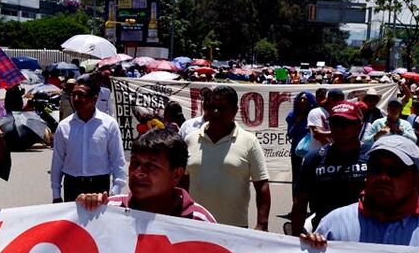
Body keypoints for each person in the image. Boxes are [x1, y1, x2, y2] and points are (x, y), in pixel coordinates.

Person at [299, 135, 419, 251]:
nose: (383, 177)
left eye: (395, 171)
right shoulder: (333, 225)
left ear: (415, 179)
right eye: (376, 168)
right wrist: (309, 251)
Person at [76, 129, 215, 222]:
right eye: (135, 163)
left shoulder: (199, 221)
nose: (138, 172)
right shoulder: (108, 209)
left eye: (151, 165)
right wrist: (84, 210)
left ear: (176, 175)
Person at [184, 85, 271, 229]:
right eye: (212, 106)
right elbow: (182, 182)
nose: (215, 111)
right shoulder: (190, 140)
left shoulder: (249, 142)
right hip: (195, 228)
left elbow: (261, 184)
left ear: (235, 111)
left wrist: (262, 223)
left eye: (222, 108)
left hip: (234, 231)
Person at [290, 100, 367, 234]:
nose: (338, 129)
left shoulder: (373, 156)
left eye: (344, 124)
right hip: (323, 237)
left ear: (359, 127)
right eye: (335, 124)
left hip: (364, 235)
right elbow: (300, 202)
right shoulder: (314, 158)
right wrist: (296, 238)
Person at [50, 75, 127, 203]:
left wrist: (115, 192)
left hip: (99, 186)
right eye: (73, 94)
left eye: (81, 95)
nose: (76, 99)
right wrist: (56, 194)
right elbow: (57, 162)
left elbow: (117, 159)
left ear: (94, 98)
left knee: (99, 223)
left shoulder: (108, 124)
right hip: (72, 186)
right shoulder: (64, 126)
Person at [304, 88, 344, 156]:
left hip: (335, 155)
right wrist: (335, 149)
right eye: (336, 99)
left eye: (341, 99)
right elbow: (317, 134)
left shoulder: (339, 114)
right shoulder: (316, 112)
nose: (339, 101)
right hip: (318, 155)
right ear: (329, 99)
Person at [286, 91, 317, 177]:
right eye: (301, 99)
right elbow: (289, 134)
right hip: (297, 150)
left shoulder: (314, 115)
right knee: (296, 175)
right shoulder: (292, 116)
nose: (302, 101)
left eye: (305, 99)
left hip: (312, 150)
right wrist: (296, 123)